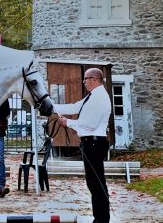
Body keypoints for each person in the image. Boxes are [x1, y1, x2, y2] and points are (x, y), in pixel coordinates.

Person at [53, 68, 112, 223]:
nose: (84, 82)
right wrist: (50, 106)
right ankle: (99, 218)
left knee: (96, 183)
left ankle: (101, 219)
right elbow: (74, 107)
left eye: (86, 79)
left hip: (94, 142)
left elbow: (90, 124)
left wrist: (68, 122)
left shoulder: (100, 97)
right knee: (93, 183)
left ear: (94, 79)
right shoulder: (92, 96)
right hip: (90, 142)